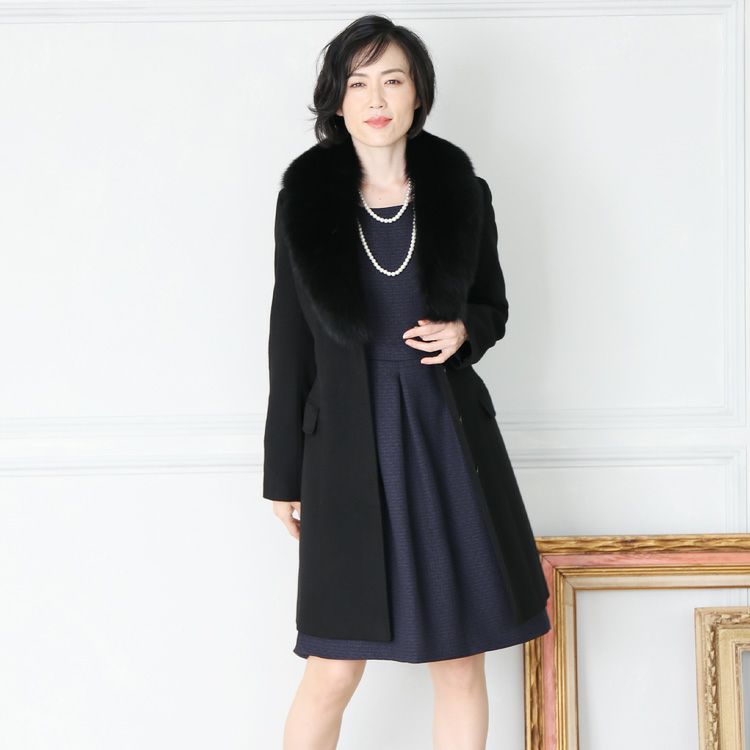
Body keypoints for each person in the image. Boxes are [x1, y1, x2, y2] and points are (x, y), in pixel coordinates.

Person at [262, 14, 551, 749]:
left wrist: (463, 332)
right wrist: (282, 474)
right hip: (345, 447)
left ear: (418, 93)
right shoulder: (305, 200)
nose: (376, 98)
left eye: (392, 79)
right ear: (336, 100)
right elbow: (288, 340)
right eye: (357, 82)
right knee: (333, 667)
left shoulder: (461, 191)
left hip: (444, 439)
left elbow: (492, 306)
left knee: (458, 661)